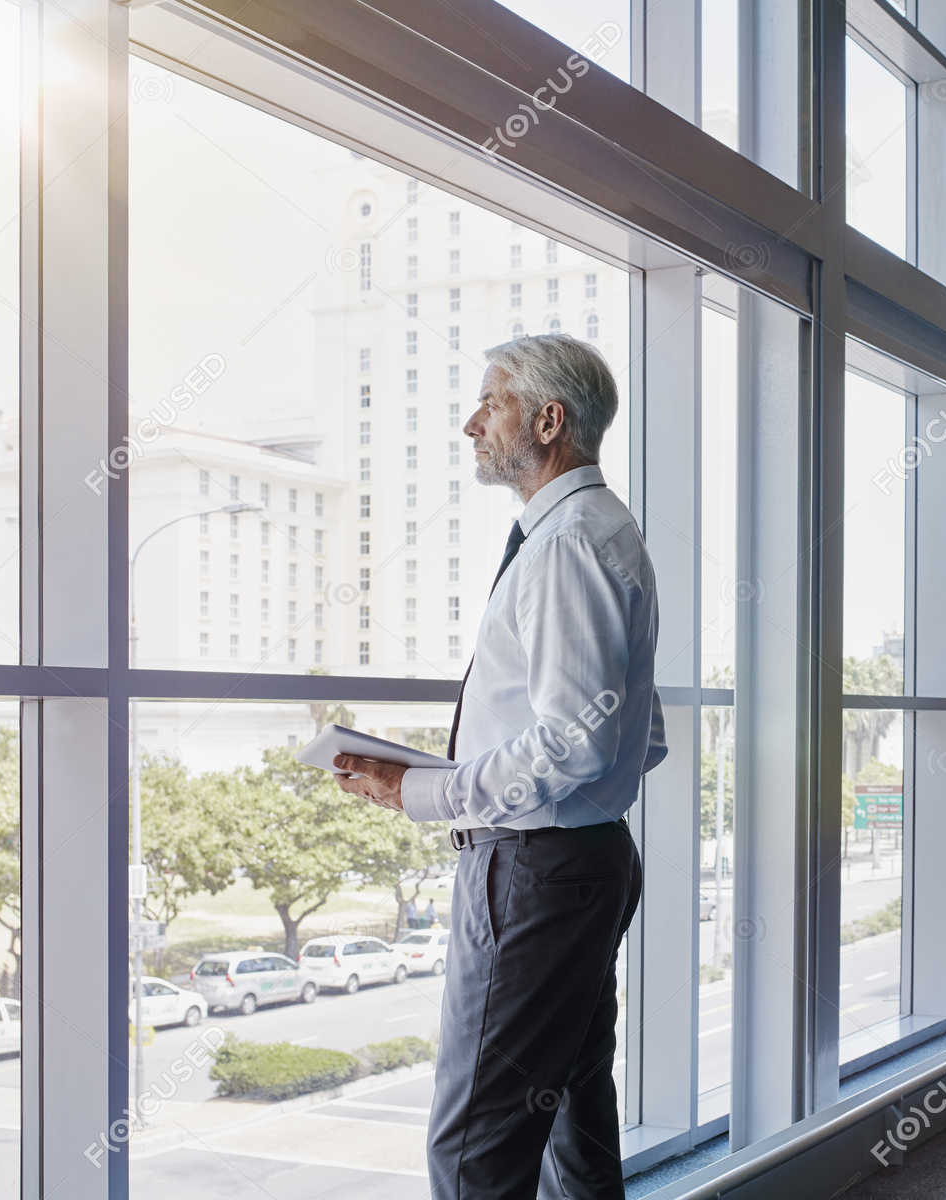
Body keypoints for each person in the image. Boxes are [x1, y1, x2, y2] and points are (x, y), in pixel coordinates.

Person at [334, 332, 663, 1200]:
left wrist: (425, 791)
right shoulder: (595, 532)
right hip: (576, 861)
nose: (471, 422)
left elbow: (576, 740)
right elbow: (637, 731)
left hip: (534, 873)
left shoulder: (567, 547)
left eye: (494, 402)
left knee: (476, 1144)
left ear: (549, 421)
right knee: (571, 1116)